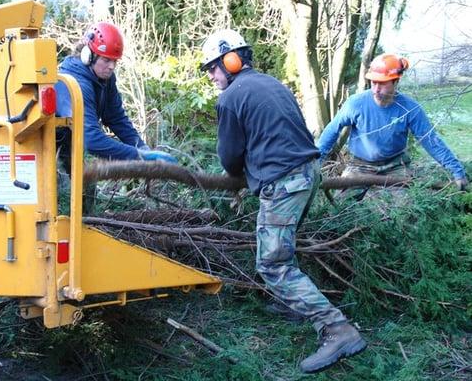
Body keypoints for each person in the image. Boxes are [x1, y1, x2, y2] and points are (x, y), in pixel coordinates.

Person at [200, 29, 367, 373]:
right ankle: (297, 303)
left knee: (273, 264)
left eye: (213, 67)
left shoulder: (230, 98)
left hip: (284, 184)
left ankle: (337, 329)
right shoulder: (273, 84)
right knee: (284, 250)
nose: (212, 75)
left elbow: (230, 157)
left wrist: (241, 174)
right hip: (309, 173)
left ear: (232, 61)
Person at [318, 53, 468, 193]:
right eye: (374, 82)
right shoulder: (355, 104)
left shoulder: (410, 109)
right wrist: (315, 165)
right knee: (344, 205)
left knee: (403, 211)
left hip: (395, 166)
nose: (376, 89)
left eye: (382, 84)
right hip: (360, 165)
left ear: (396, 81)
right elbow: (332, 130)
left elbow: (430, 140)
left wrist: (457, 171)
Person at [54, 21, 177, 173]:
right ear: (88, 56)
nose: (111, 66)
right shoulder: (75, 84)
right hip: (49, 150)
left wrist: (141, 147)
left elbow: (115, 117)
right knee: (62, 192)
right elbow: (92, 140)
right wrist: (139, 156)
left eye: (115, 61)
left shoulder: (104, 78)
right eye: (106, 60)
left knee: (85, 189)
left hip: (72, 147)